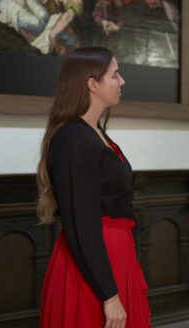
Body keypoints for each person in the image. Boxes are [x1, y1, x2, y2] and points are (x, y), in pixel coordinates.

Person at [37, 47, 151, 328]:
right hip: (92, 269)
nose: (122, 81)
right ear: (92, 83)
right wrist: (109, 295)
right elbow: (81, 223)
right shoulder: (73, 138)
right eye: (115, 74)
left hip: (115, 256)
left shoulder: (96, 133)